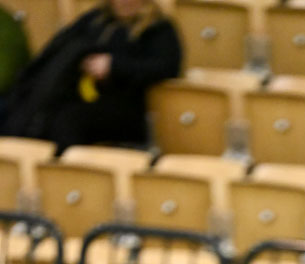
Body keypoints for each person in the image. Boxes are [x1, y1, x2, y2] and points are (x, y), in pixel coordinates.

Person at [2, 0, 181, 153]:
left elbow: (165, 67)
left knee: (67, 121)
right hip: (80, 95)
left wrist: (114, 66)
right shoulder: (96, 19)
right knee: (27, 108)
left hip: (126, 107)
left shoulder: (158, 28)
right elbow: (57, 48)